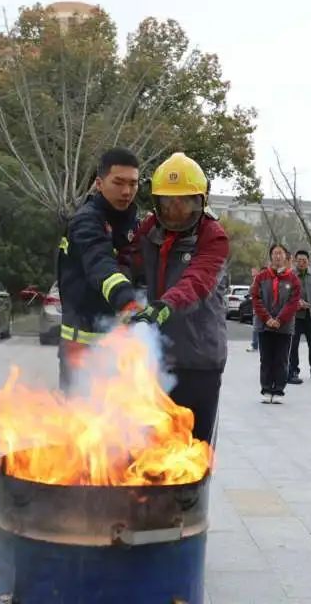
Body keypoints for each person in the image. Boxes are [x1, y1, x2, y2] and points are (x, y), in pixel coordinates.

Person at [132, 152, 230, 443]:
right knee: (151, 448)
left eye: (185, 202)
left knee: (193, 451)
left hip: (199, 359)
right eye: (168, 203)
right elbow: (128, 261)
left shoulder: (213, 236)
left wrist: (166, 305)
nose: (176, 211)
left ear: (201, 199)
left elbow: (197, 280)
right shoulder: (149, 230)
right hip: (156, 358)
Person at [56, 148, 141, 391]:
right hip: (82, 350)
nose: (126, 191)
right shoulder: (86, 221)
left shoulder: (132, 221)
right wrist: (126, 300)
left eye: (133, 184)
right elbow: (99, 264)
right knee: (81, 424)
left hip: (120, 348)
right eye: (119, 183)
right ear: (99, 183)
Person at [252, 244, 302, 402]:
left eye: (280, 253)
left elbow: (293, 302)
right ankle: (266, 388)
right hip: (264, 325)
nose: (277, 256)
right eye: (275, 253)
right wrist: (267, 319)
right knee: (266, 358)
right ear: (271, 256)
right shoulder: (261, 277)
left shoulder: (293, 279)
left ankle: (279, 389)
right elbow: (256, 299)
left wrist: (279, 320)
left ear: (286, 257)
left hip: (284, 327)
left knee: (281, 359)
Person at [288, 250, 311, 384]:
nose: (302, 262)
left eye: (304, 260)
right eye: (299, 260)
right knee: (294, 345)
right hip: (295, 316)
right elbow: (286, 293)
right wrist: (296, 303)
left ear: (308, 261)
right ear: (295, 261)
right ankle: (293, 371)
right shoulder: (290, 274)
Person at [246, 266, 260, 353]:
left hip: (263, 309)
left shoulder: (261, 281)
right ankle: (255, 346)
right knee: (255, 328)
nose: (252, 273)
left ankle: (257, 345)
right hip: (256, 309)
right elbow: (250, 291)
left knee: (258, 329)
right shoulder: (254, 281)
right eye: (252, 271)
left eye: (254, 271)